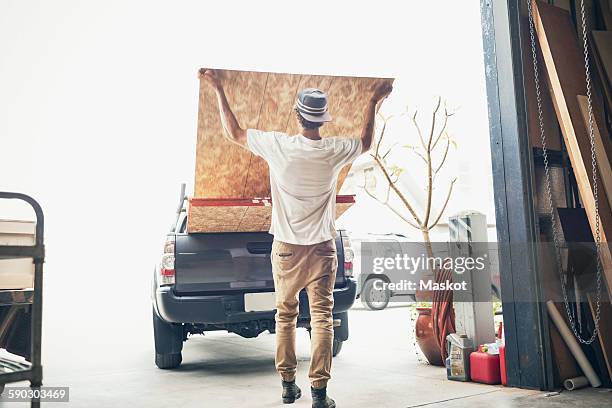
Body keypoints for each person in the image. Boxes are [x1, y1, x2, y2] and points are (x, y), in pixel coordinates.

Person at [201, 69, 392, 408]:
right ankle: (319, 393)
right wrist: (375, 101)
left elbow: (233, 132)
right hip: (321, 248)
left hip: (287, 249)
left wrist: (217, 87)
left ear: (297, 116)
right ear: (323, 120)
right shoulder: (334, 150)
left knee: (285, 315)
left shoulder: (280, 146)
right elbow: (365, 142)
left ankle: (288, 387)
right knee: (322, 318)